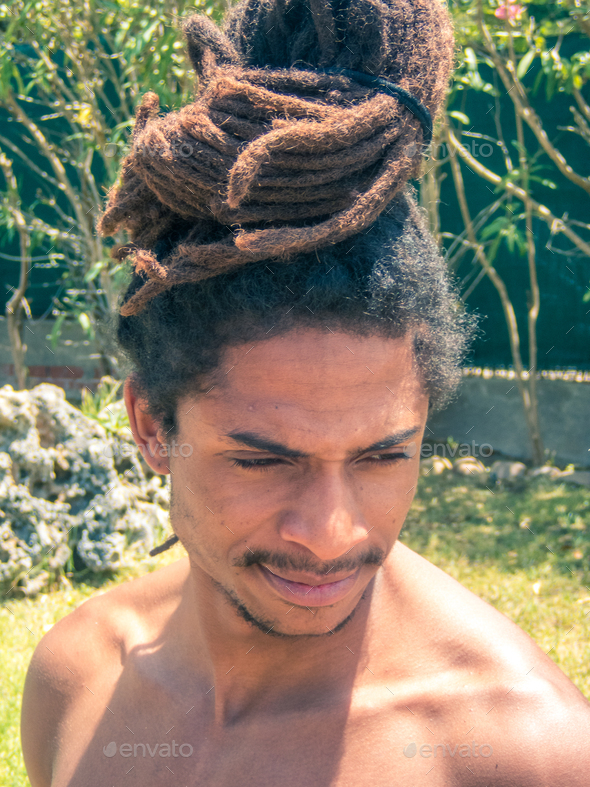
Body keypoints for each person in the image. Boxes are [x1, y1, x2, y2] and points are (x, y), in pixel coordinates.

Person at [21, 0, 590, 784]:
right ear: (151, 425)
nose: (329, 532)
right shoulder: (77, 679)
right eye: (262, 461)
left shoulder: (514, 751)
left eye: (384, 454)